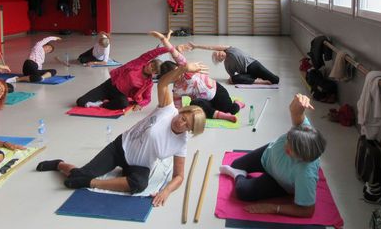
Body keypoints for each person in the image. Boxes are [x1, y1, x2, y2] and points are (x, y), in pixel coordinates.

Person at [36, 61, 207, 207]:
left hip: (140, 165)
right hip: (120, 147)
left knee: (139, 184)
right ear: (181, 111)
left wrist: (167, 191)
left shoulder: (181, 143)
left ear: (190, 130)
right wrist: (183, 69)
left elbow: (179, 176)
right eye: (183, 117)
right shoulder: (168, 110)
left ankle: (92, 182)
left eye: (187, 124)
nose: (180, 122)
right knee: (79, 174)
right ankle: (59, 164)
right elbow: (163, 83)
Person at [219, 94, 326, 218]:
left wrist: (274, 208)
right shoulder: (304, 130)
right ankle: (239, 171)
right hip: (268, 155)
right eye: (288, 140)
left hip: (279, 182)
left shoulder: (305, 174)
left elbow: (307, 211)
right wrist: (300, 100)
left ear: (301, 158)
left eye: (290, 150)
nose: (285, 146)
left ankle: (238, 174)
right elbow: (294, 109)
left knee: (243, 191)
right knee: (236, 164)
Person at [152, 31, 244, 123]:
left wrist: (164, 40)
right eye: (174, 74)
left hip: (216, 91)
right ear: (170, 78)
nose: (179, 73)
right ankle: (223, 116)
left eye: (178, 70)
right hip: (203, 102)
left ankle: (238, 104)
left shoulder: (186, 70)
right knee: (194, 105)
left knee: (231, 110)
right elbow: (178, 109)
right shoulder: (176, 90)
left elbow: (173, 52)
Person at [75, 38, 168, 111]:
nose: (150, 67)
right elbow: (152, 53)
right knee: (81, 102)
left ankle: (101, 104)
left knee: (123, 104)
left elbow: (148, 99)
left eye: (153, 69)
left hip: (120, 95)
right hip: (110, 85)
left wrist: (140, 105)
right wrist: (171, 49)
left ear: (155, 73)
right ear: (150, 62)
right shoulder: (138, 63)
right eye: (152, 65)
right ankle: (103, 99)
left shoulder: (148, 83)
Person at [188, 42, 280, 85]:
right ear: (220, 61)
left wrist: (196, 46)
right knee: (233, 79)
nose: (220, 55)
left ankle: (258, 77)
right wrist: (231, 79)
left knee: (275, 80)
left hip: (253, 65)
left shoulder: (229, 49)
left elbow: (210, 47)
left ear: (220, 50)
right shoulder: (227, 65)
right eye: (219, 57)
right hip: (247, 74)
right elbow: (231, 77)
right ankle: (260, 82)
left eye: (219, 53)